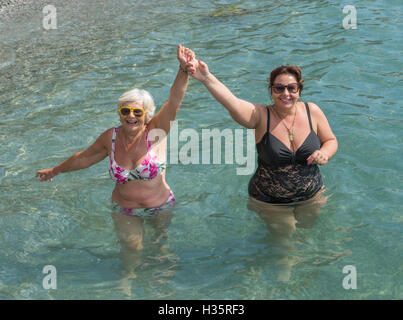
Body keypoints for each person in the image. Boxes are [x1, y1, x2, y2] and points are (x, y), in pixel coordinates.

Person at [36, 45, 196, 283]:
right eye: (125, 111)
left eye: (136, 112)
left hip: (160, 205)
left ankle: (161, 280)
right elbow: (84, 157)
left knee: (160, 243)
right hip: (125, 208)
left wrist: (183, 70)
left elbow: (174, 100)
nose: (131, 116)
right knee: (131, 248)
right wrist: (55, 170)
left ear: (147, 114)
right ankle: (126, 282)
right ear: (119, 113)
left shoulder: (158, 131)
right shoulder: (110, 137)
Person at [185, 53, 338, 234]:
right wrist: (206, 77)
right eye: (279, 88)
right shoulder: (260, 116)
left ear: (299, 89)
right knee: (285, 245)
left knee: (309, 232)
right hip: (271, 201)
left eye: (292, 88)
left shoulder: (312, 110)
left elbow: (330, 140)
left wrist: (325, 153)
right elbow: (232, 102)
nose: (285, 93)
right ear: (271, 90)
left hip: (312, 196)